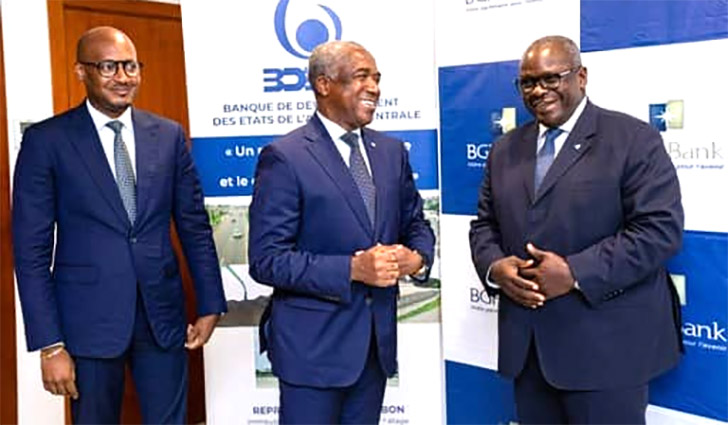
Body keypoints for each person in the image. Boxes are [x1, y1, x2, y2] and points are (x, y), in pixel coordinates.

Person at [12, 26, 226, 424]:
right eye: (108, 67)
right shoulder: (47, 141)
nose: (123, 77)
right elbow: (30, 251)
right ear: (81, 71)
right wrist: (50, 344)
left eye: (131, 66)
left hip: (162, 316)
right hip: (87, 323)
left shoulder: (168, 135)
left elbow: (194, 226)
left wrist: (211, 303)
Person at [469, 35, 683, 424]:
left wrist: (574, 272)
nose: (538, 91)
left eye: (551, 78)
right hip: (529, 351)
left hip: (608, 353)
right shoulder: (504, 150)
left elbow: (659, 230)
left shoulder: (634, 139)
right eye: (528, 82)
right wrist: (495, 268)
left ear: (581, 77)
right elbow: (484, 225)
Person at [248, 40, 435, 424]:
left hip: (373, 352)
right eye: (361, 77)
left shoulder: (391, 152)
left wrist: (416, 258)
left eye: (377, 78)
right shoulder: (285, 157)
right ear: (324, 84)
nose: (374, 88)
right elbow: (267, 260)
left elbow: (416, 223)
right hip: (311, 354)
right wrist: (352, 269)